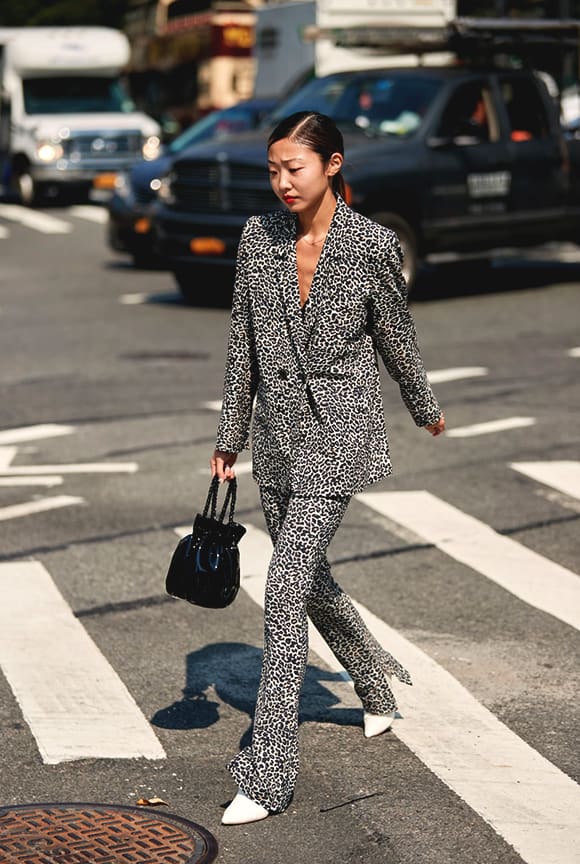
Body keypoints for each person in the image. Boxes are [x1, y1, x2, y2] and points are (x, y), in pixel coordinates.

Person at [210, 111, 445, 826]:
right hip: (279, 439)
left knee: (283, 590)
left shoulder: (373, 247)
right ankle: (374, 679)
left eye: (295, 168)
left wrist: (424, 405)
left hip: (340, 436)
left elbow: (396, 337)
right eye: (273, 169)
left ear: (333, 165)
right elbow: (242, 342)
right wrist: (231, 436)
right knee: (311, 579)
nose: (282, 182)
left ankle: (269, 774)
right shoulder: (258, 238)